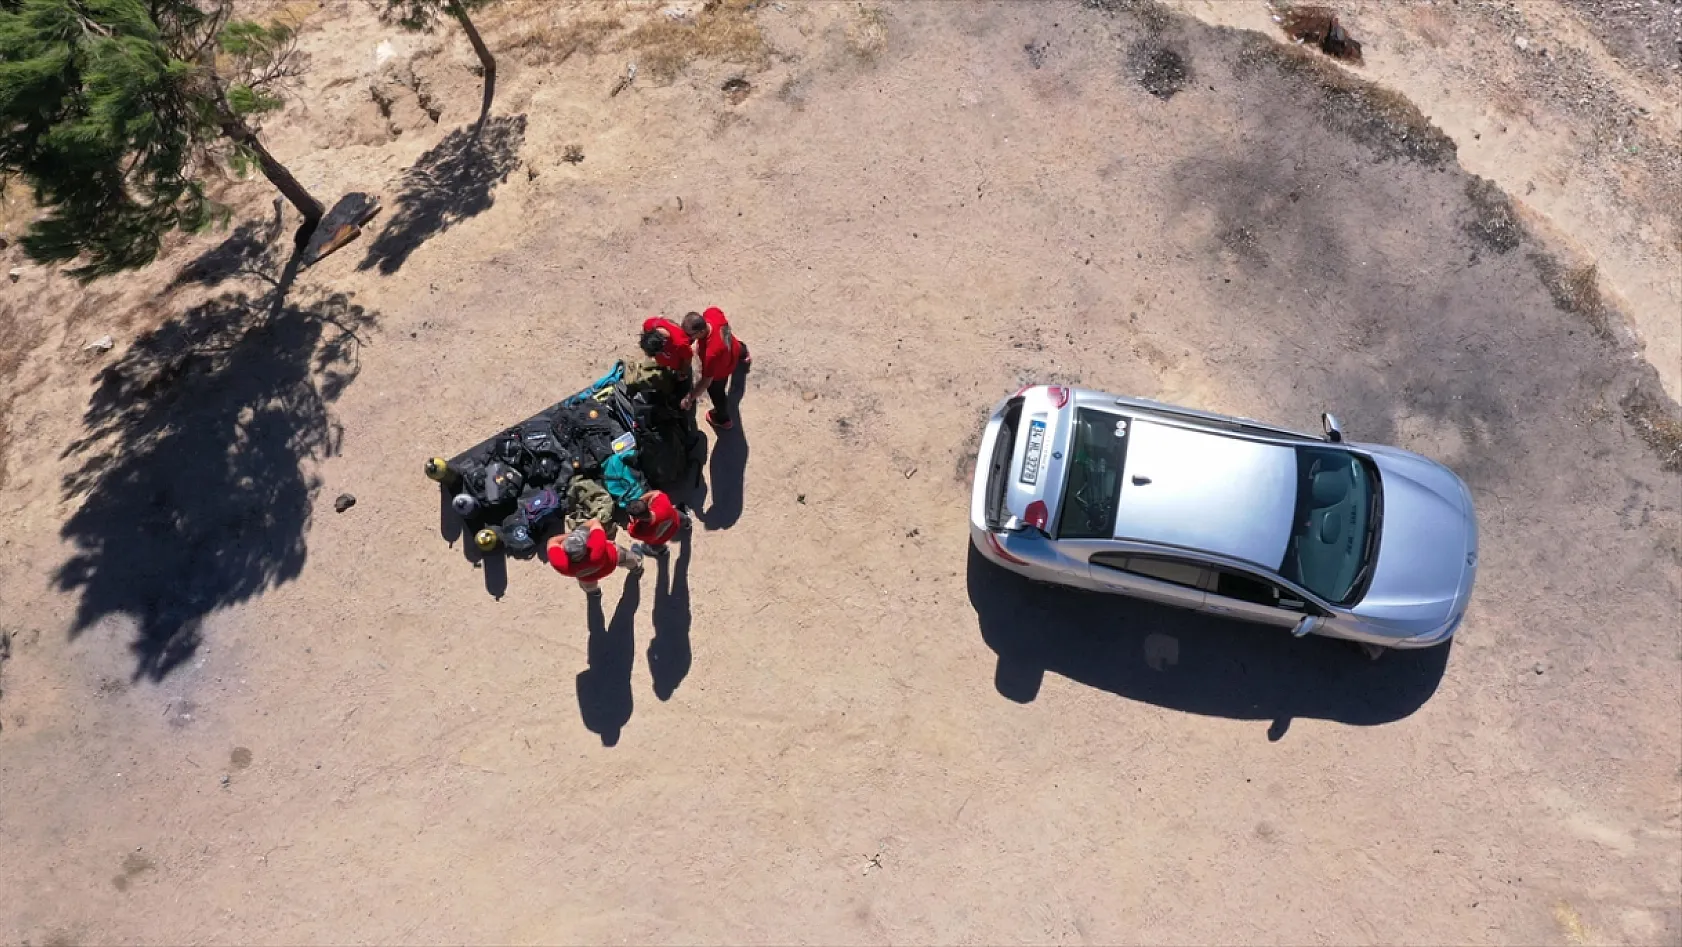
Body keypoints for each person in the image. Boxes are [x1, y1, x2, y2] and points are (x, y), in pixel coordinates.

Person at [679, 307, 751, 430]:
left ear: (700, 332)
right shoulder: (713, 313)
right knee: (739, 346)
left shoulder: (710, 354)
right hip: (734, 348)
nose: (687, 338)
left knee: (717, 393)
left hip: (722, 371)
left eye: (689, 335)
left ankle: (722, 419)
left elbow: (706, 381)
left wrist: (690, 397)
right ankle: (745, 356)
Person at [547, 519, 645, 594]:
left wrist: (568, 538)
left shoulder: (560, 563)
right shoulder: (596, 546)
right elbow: (594, 522)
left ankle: (594, 592)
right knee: (626, 557)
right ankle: (637, 568)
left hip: (587, 578)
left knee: (588, 586)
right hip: (611, 560)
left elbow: (552, 541)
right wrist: (577, 533)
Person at [625, 490, 689, 554]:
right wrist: (639, 503)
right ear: (646, 504)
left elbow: (629, 529)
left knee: (654, 546)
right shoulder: (662, 502)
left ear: (637, 518)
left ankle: (664, 551)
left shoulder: (638, 531)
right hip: (675, 523)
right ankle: (687, 524)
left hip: (660, 540)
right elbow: (656, 493)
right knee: (679, 516)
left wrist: (632, 522)